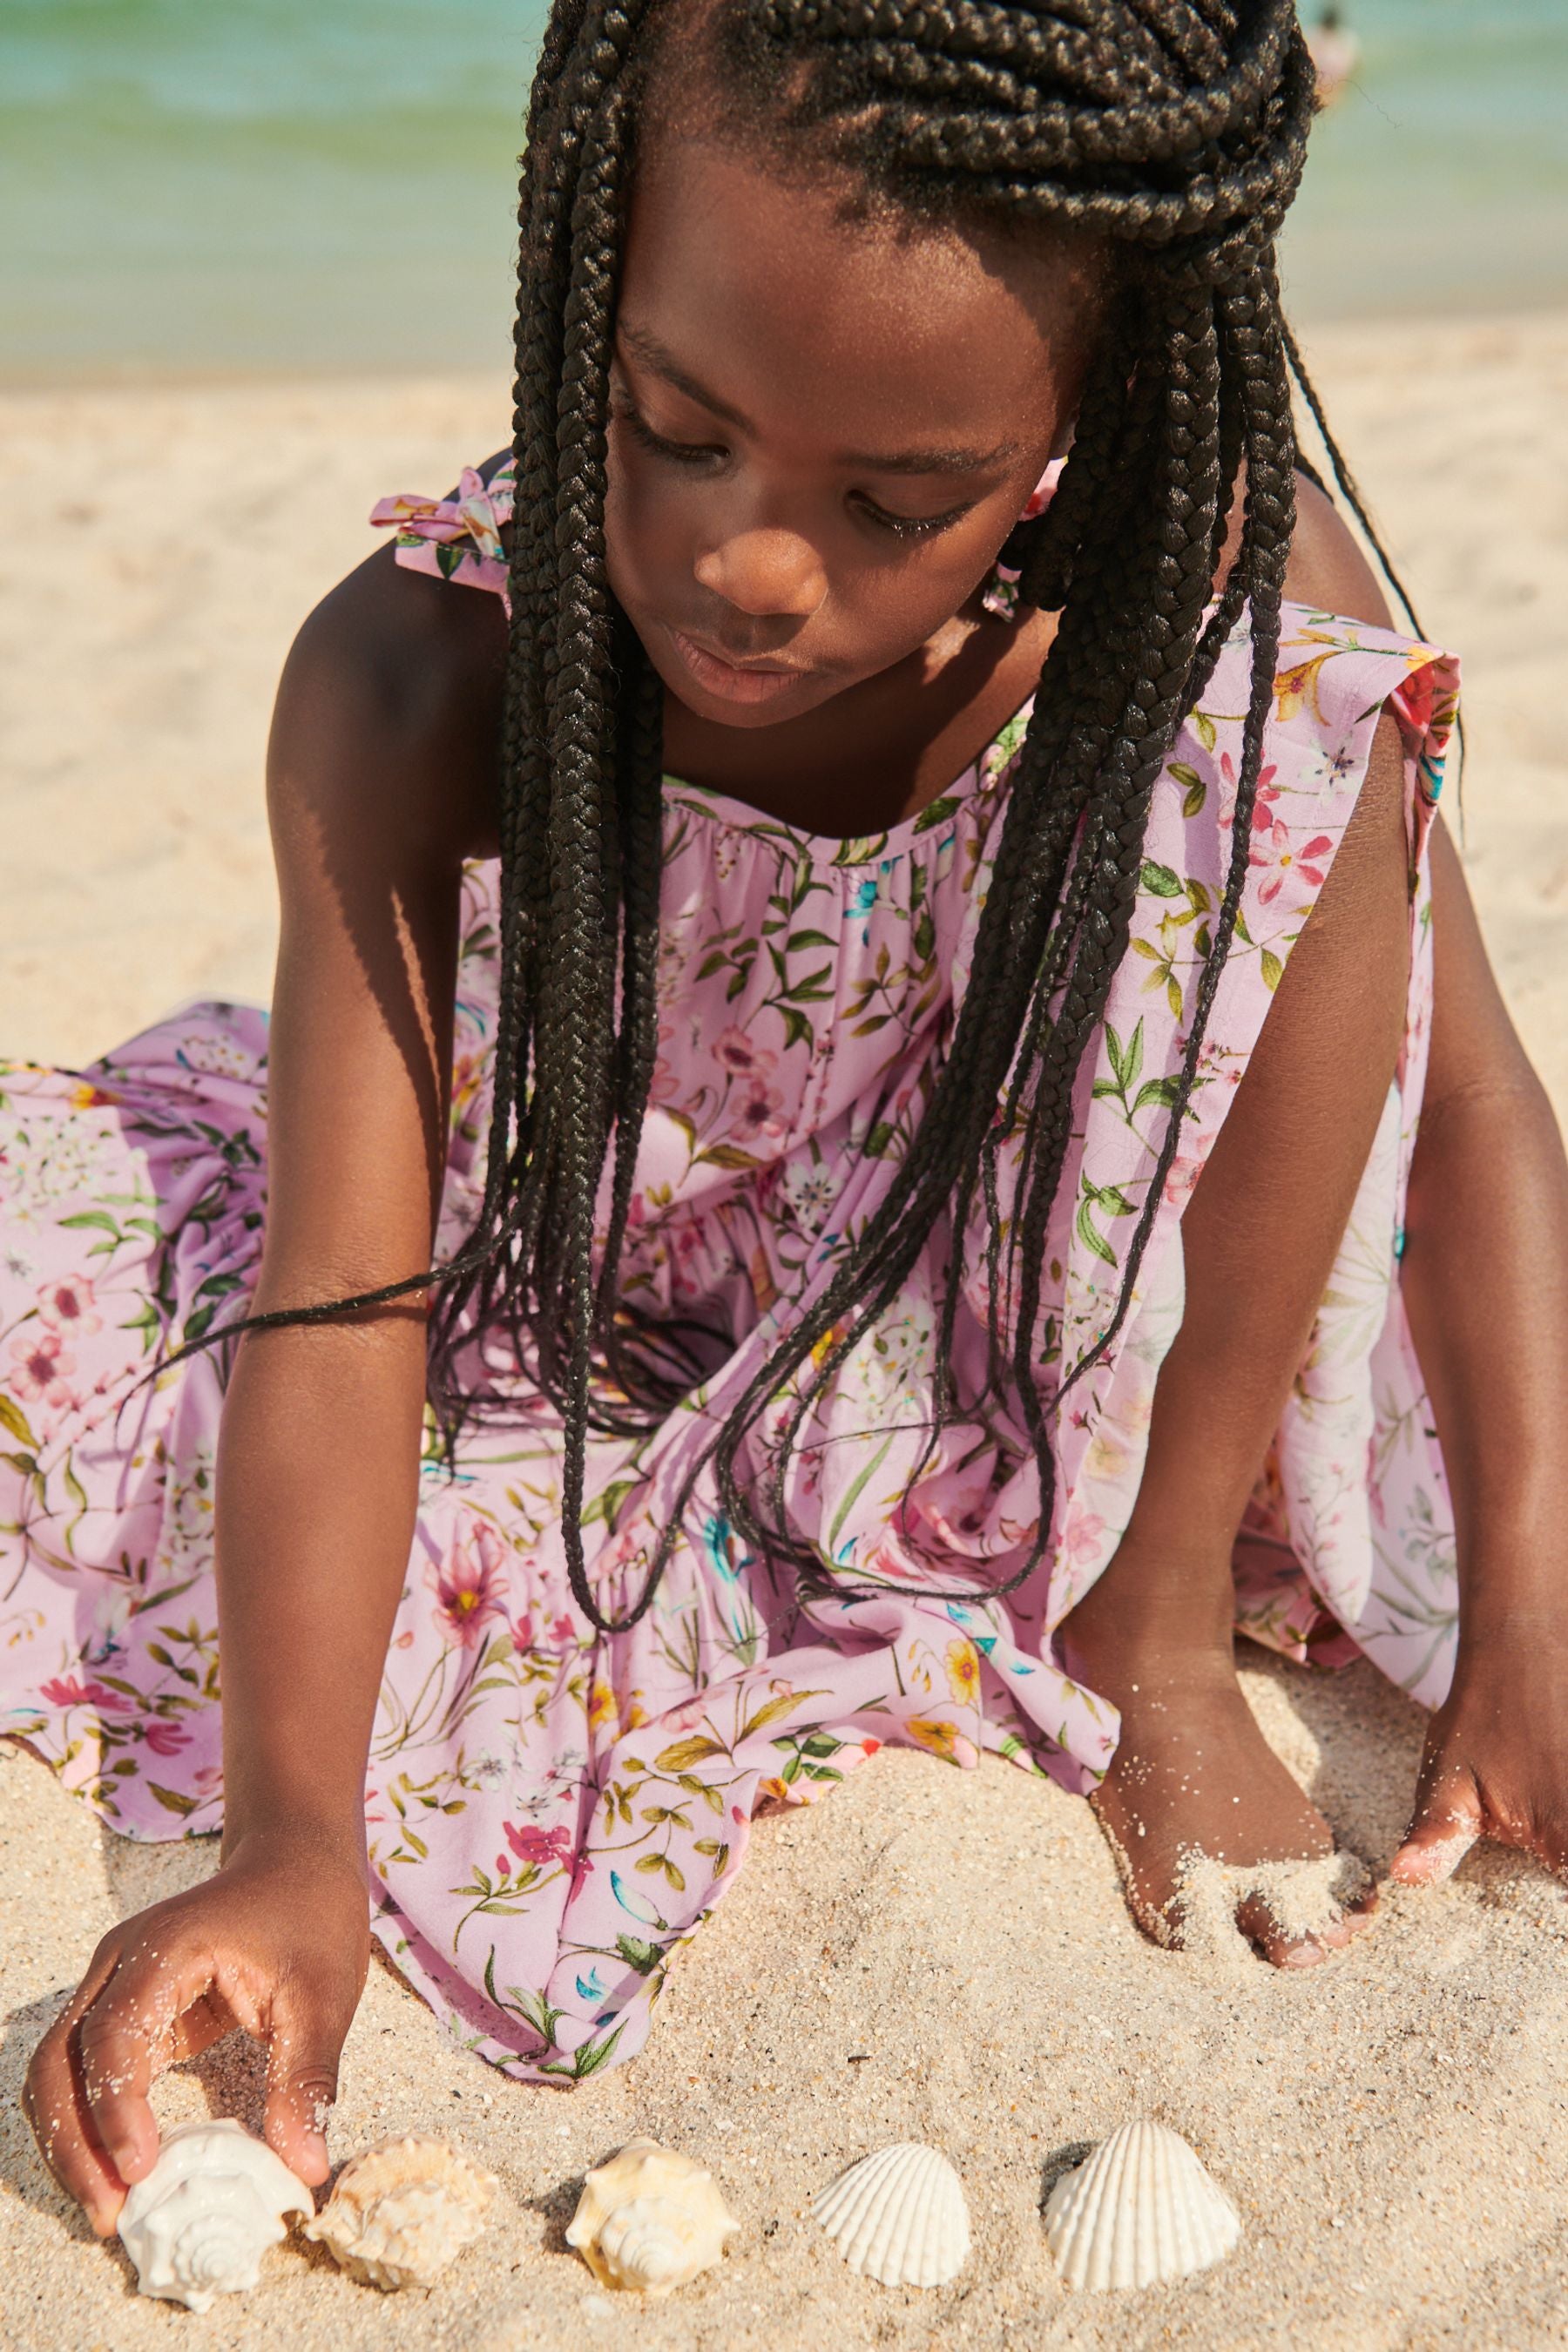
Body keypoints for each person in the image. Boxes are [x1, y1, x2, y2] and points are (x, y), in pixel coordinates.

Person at [9, 0, 1565, 2247]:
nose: (751, 562)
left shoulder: (1232, 613)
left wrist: (1525, 1592)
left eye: (891, 502)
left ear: (1066, 434)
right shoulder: (423, 664)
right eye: (676, 426)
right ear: (587, 282)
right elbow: (340, 1286)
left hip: (1070, 1298)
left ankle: (1132, 1617)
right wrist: (292, 1837)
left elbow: (1467, 1102)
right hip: (588, 1240)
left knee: (1289, 702)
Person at [1307, 6, 1362, 106]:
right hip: (1336, 84)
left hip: (1322, 83)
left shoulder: (1316, 35)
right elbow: (1354, 66)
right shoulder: (1347, 39)